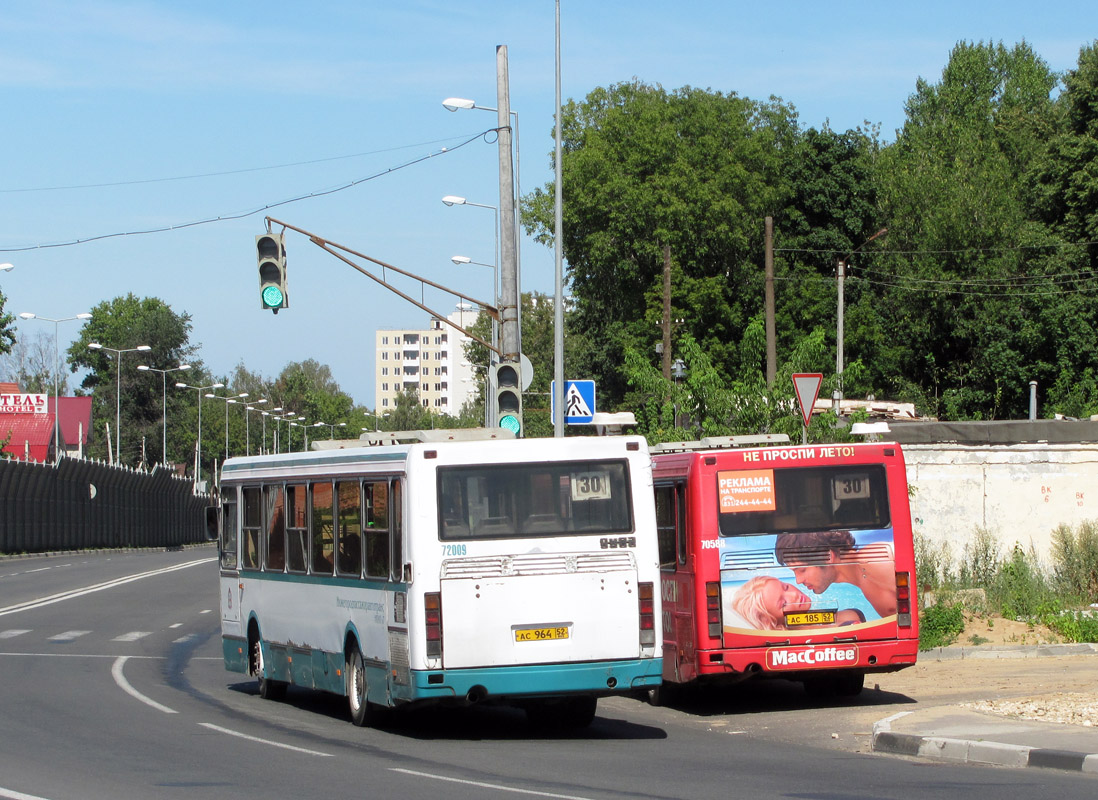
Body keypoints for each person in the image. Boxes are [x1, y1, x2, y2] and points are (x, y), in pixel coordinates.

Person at [774, 530, 896, 617]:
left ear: (827, 556)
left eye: (802, 570)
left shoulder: (873, 561)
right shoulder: (863, 575)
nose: (798, 580)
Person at [730, 574, 865, 631]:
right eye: (783, 603)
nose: (794, 595)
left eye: (786, 587)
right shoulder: (797, 629)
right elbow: (853, 616)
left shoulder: (802, 621)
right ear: (772, 621)